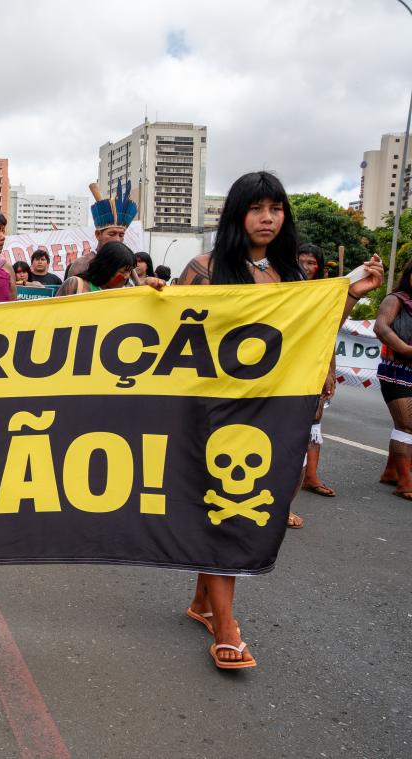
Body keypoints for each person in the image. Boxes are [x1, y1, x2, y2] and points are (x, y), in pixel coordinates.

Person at [177, 170, 383, 670]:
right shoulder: (203, 269)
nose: (267, 218)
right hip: (216, 408)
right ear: (237, 215)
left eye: (276, 208)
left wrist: (352, 294)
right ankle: (227, 626)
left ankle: (205, 602)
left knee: (247, 504)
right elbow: (171, 336)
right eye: (255, 208)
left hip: (274, 410)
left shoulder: (291, 276)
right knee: (228, 507)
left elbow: (309, 335)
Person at [296, 243, 335, 498]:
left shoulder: (323, 294)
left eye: (312, 263)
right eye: (303, 261)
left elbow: (328, 334)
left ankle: (311, 476)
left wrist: (330, 370)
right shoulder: (282, 287)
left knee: (314, 422)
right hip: (287, 365)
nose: (307, 267)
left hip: (315, 364)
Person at [373, 260, 412, 499]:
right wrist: (406, 350)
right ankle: (406, 483)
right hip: (397, 370)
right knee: (407, 425)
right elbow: (381, 327)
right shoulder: (396, 299)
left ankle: (391, 473)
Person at [68, 180, 139, 281]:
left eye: (121, 235)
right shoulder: (82, 265)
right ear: (98, 234)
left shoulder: (126, 266)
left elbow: (139, 285)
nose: (117, 240)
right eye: (112, 234)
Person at [57, 242, 164, 295]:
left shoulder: (125, 293)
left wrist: (147, 284)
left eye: (129, 271)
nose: (127, 276)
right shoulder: (76, 285)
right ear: (106, 267)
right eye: (123, 271)